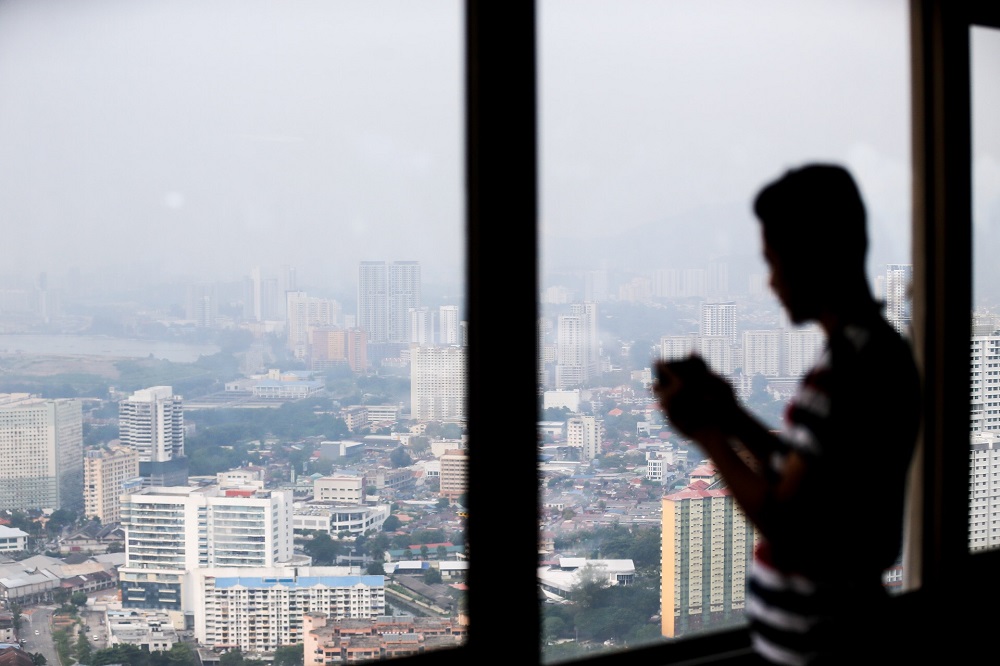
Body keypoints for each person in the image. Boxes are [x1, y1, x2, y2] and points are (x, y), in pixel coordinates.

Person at [653, 164, 921, 665]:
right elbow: (815, 479)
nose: (771, 282)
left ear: (812, 260)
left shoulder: (849, 370)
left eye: (774, 262)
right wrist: (732, 417)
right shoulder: (868, 352)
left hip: (826, 644)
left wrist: (707, 434)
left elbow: (788, 521)